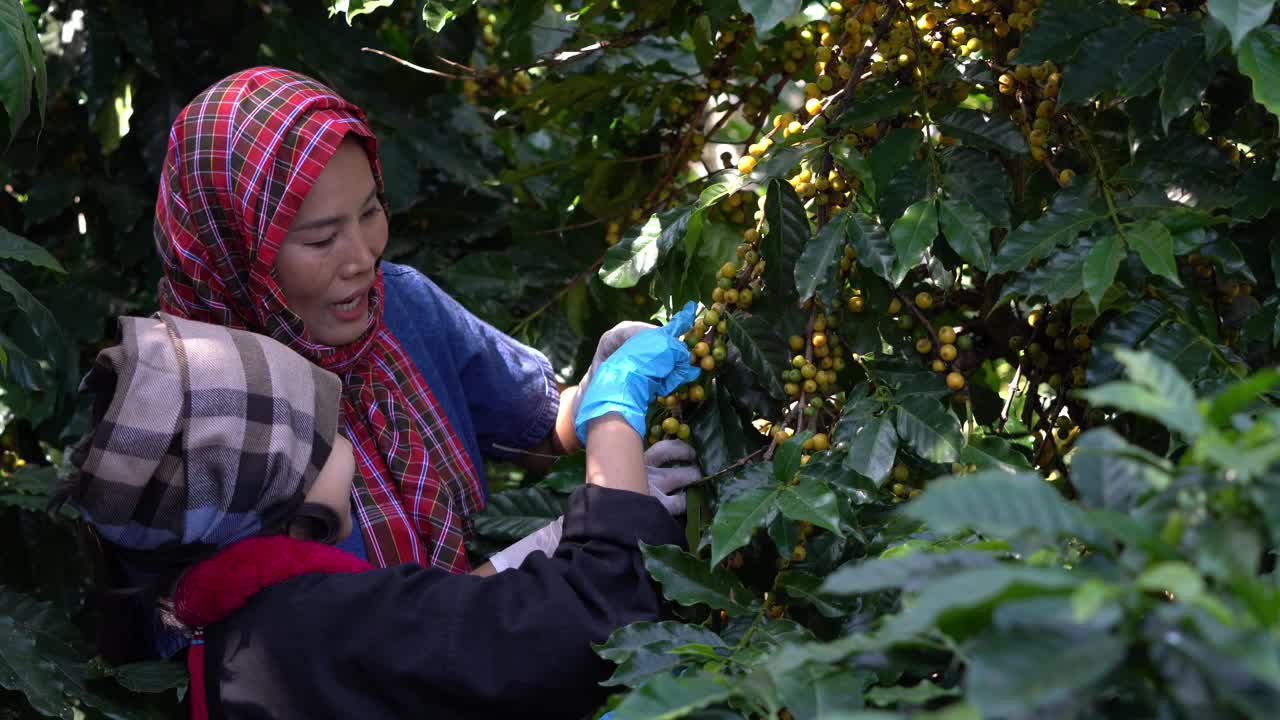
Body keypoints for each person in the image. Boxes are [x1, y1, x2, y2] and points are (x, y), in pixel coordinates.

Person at [150, 64, 701, 578]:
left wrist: (595, 393)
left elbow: (538, 431)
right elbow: (381, 655)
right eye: (320, 238)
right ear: (233, 251)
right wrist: (592, 525)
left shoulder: (399, 306)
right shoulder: (211, 423)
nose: (362, 257)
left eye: (370, 211)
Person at [54, 305, 700, 719]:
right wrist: (613, 418)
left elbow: (443, 640)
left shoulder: (236, 626)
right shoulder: (315, 623)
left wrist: (542, 547)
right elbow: (592, 617)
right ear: (289, 488)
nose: (350, 442)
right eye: (330, 430)